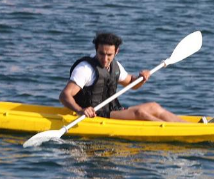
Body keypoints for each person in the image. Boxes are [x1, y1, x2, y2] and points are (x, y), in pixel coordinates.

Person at [59, 33, 190, 123]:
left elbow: (132, 84)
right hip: (94, 114)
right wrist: (80, 110)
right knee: (139, 113)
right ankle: (170, 130)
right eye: (101, 54)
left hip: (112, 110)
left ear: (116, 52)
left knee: (154, 106)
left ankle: (189, 127)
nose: (105, 59)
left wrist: (141, 79)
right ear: (96, 49)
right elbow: (64, 95)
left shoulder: (115, 66)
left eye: (109, 55)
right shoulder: (85, 69)